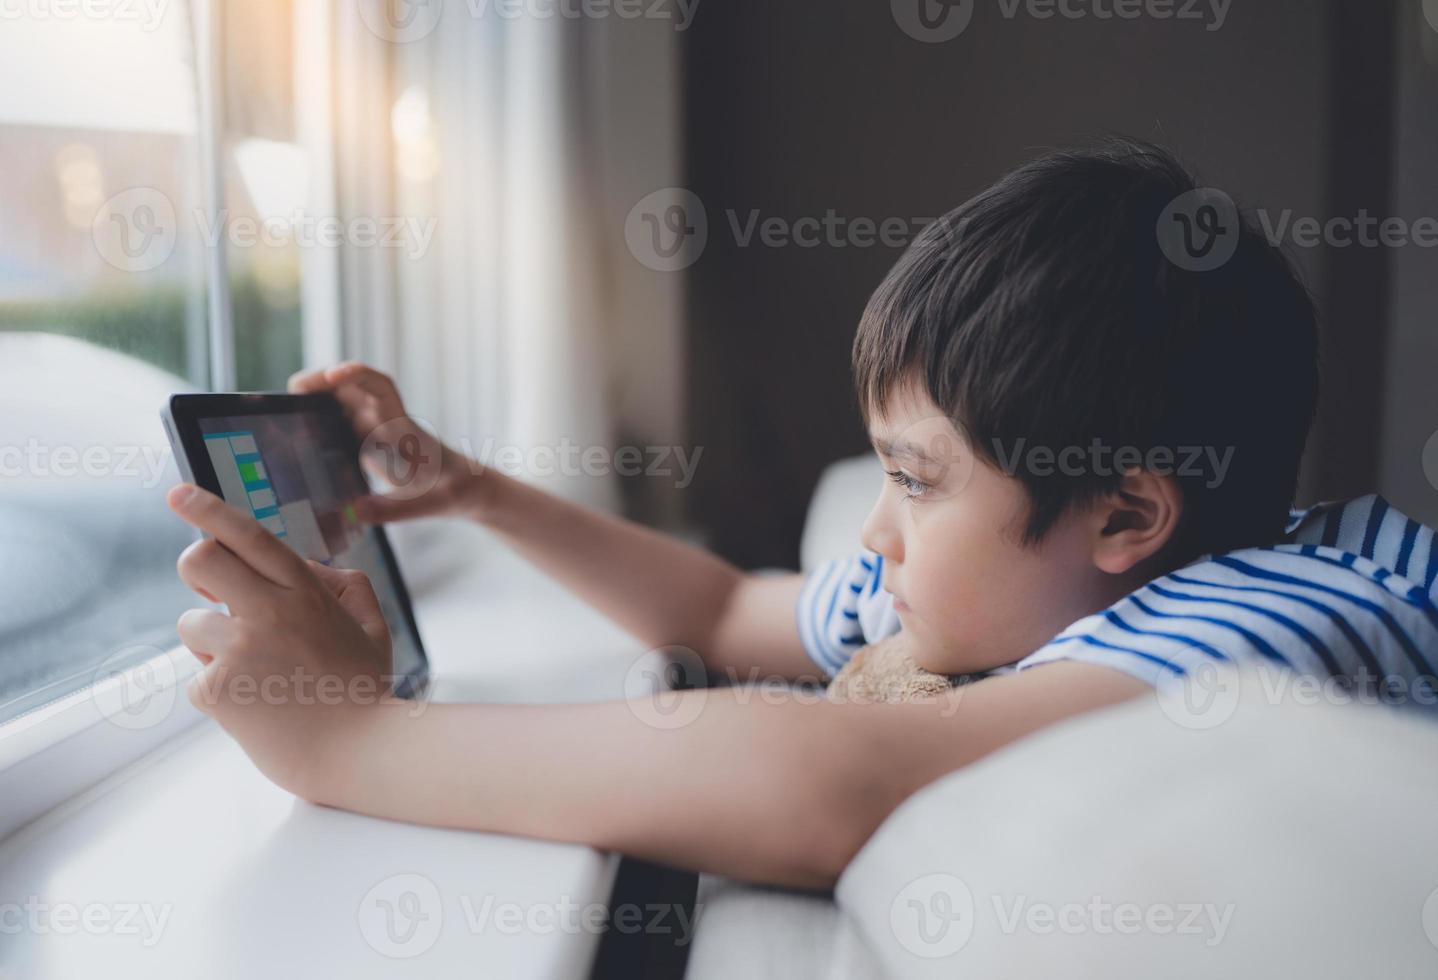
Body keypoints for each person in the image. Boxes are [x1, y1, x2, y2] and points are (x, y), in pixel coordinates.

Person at [166, 138, 1438, 889]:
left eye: (920, 480)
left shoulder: (1281, 623)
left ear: (1125, 516)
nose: (877, 535)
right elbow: (722, 607)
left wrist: (345, 745)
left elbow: (831, 778)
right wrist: (477, 490)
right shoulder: (1010, 588)